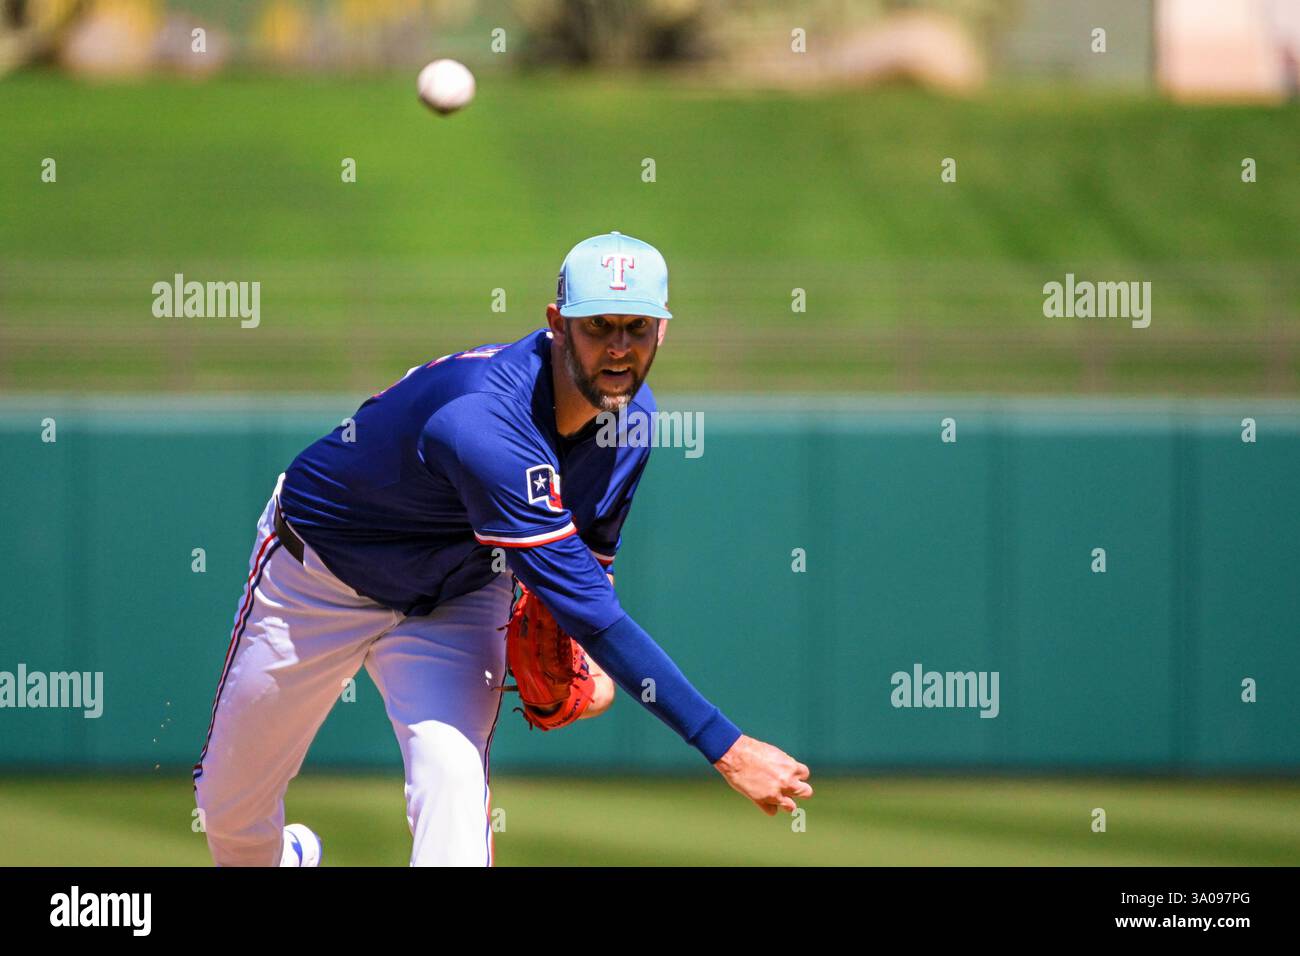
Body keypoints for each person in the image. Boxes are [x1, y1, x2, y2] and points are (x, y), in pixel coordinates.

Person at [192, 231, 812, 866]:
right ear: (558, 325)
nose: (620, 348)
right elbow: (595, 615)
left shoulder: (633, 420)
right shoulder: (486, 421)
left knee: (454, 793)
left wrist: (584, 661)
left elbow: (593, 569)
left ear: (662, 333)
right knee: (230, 811)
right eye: (599, 325)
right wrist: (727, 748)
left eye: (638, 327)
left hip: (454, 598)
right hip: (317, 578)